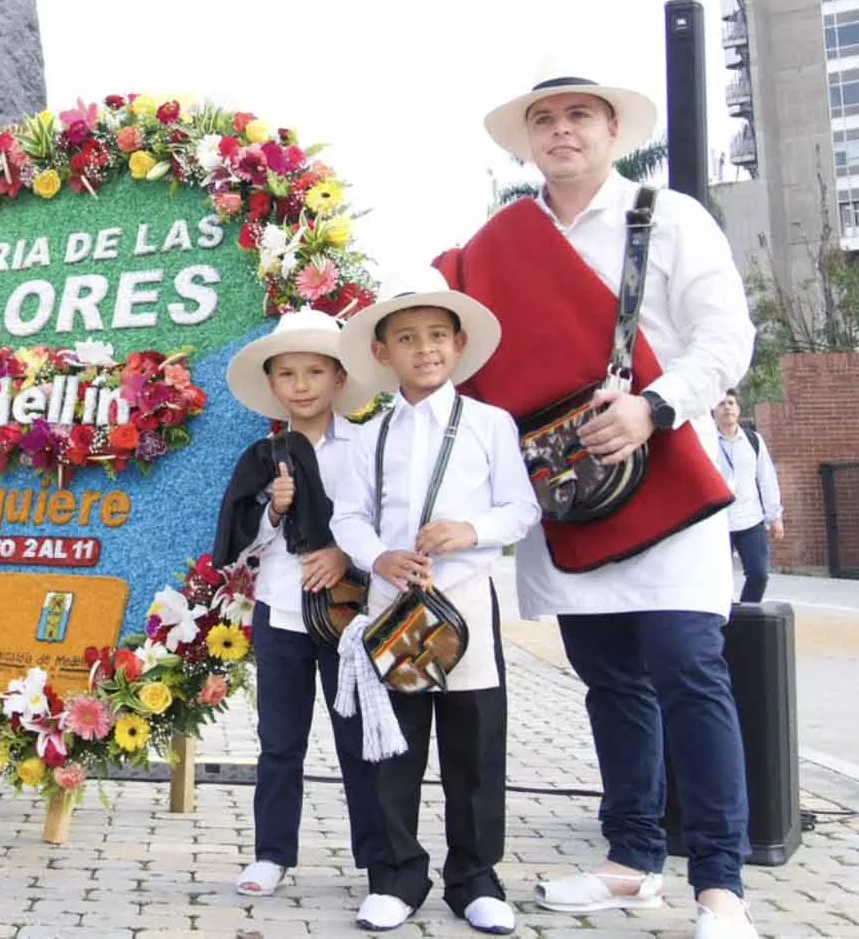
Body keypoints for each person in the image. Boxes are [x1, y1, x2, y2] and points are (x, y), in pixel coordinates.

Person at [437, 74, 759, 939]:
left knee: (689, 669)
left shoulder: (672, 215)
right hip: (565, 492)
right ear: (525, 141)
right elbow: (447, 341)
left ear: (613, 129)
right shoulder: (499, 240)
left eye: (579, 115)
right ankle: (631, 862)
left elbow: (728, 337)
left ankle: (722, 888)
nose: (561, 130)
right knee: (610, 681)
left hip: (666, 478)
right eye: (543, 119)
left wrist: (653, 406)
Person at [326, 274, 540, 935]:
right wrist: (378, 557)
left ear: (460, 344)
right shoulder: (372, 435)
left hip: (466, 601)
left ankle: (475, 878)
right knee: (395, 747)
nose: (425, 349)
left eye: (437, 336)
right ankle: (397, 876)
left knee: (474, 745)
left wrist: (468, 532)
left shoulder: (489, 423)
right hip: (395, 604)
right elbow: (349, 518)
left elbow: (522, 507)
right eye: (408, 338)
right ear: (384, 351)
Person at [210, 309, 375, 901]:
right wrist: (274, 510)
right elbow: (239, 544)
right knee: (280, 741)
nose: (301, 385)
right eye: (287, 374)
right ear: (273, 384)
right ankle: (272, 854)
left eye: (314, 371)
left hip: (348, 616)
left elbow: (385, 525)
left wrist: (342, 556)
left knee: (359, 739)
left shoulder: (366, 445)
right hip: (279, 614)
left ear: (337, 377)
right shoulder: (264, 454)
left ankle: (378, 855)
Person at [714, 390, 783, 604]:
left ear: (738, 409)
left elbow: (766, 478)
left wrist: (775, 517)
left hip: (751, 519)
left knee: (759, 574)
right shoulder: (707, 442)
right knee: (718, 579)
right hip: (718, 522)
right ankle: (723, 619)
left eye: (731, 403)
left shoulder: (753, 440)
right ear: (714, 411)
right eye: (722, 404)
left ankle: (747, 616)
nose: (727, 407)